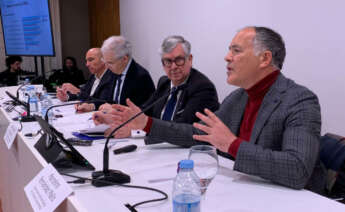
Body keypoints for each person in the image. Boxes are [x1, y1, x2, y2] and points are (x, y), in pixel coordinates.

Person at [93, 26, 326, 194]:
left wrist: (231, 144)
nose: (227, 57)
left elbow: (297, 170)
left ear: (264, 58)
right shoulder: (238, 97)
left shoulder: (299, 100)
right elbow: (195, 133)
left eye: (236, 51)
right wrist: (147, 123)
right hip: (247, 190)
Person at [142, 35, 219, 124]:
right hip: (156, 137)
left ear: (190, 59)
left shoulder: (202, 88)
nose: (173, 67)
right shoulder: (164, 83)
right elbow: (145, 111)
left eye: (179, 60)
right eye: (168, 61)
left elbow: (182, 127)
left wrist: (148, 125)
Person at [98, 35, 155, 111]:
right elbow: (105, 99)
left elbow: (143, 112)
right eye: (105, 62)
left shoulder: (141, 77)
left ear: (125, 59)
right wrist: (92, 105)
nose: (107, 67)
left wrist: (115, 111)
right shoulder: (112, 72)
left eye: (110, 63)